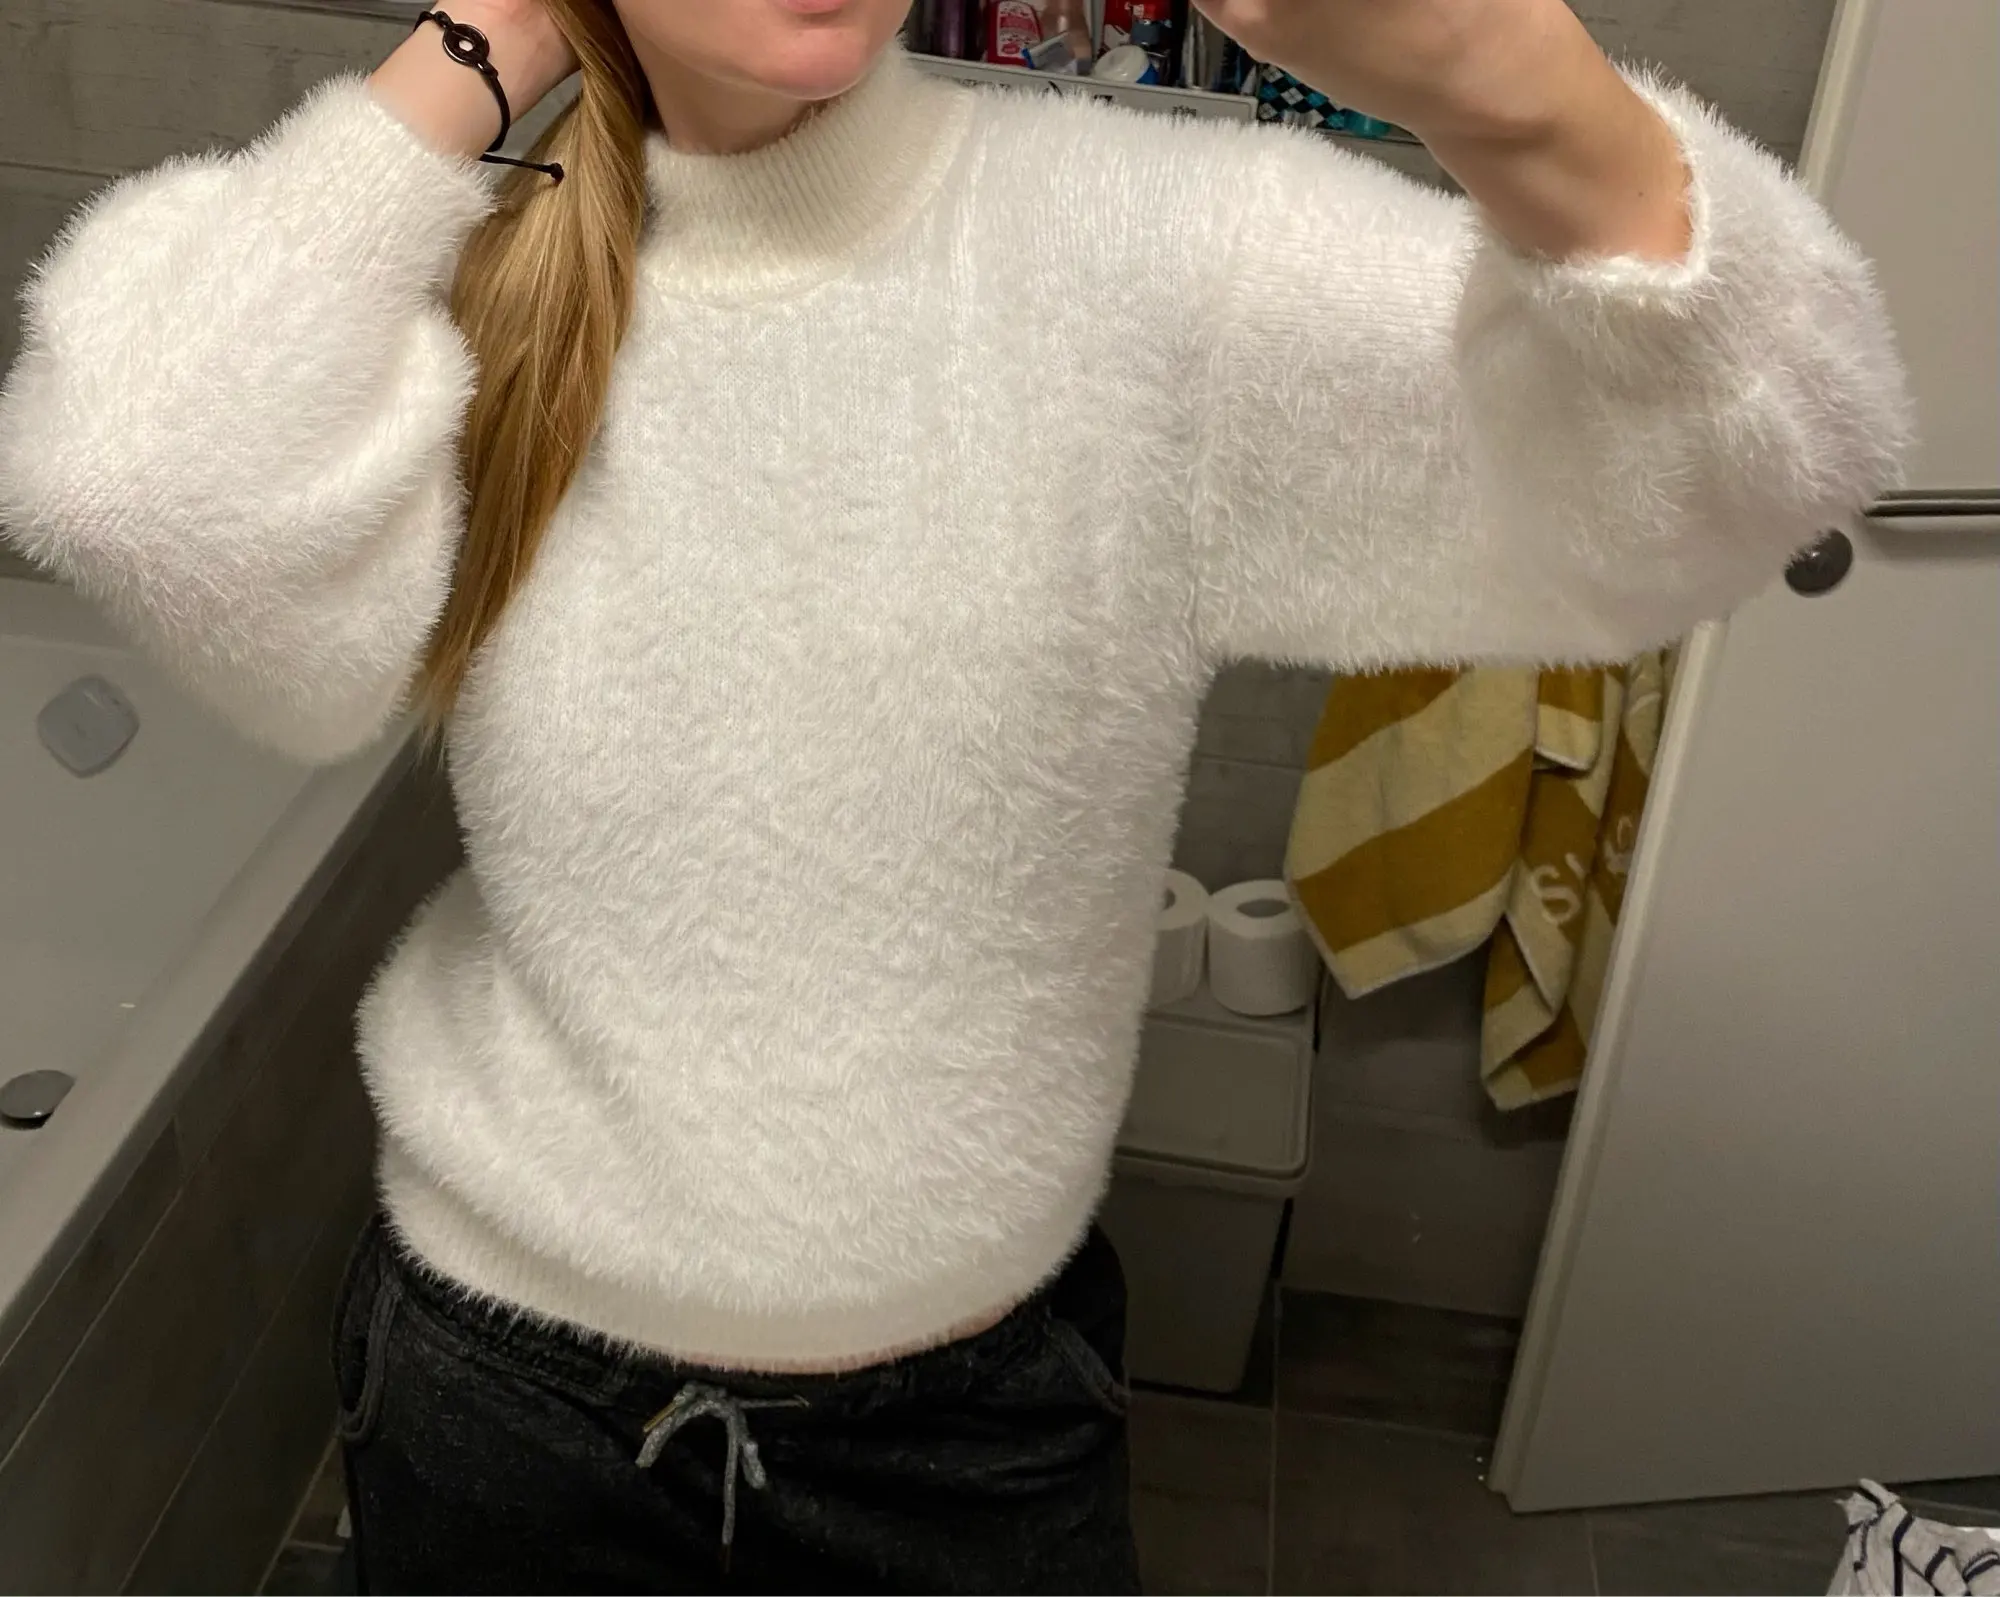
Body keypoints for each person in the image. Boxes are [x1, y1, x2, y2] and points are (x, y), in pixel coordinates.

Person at [0, 0, 1906, 1590]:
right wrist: (485, 39)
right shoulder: (478, 278)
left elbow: (1766, 463)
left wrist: (1514, 81)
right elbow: (133, 481)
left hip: (965, 1447)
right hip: (498, 1406)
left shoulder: (1152, 256)